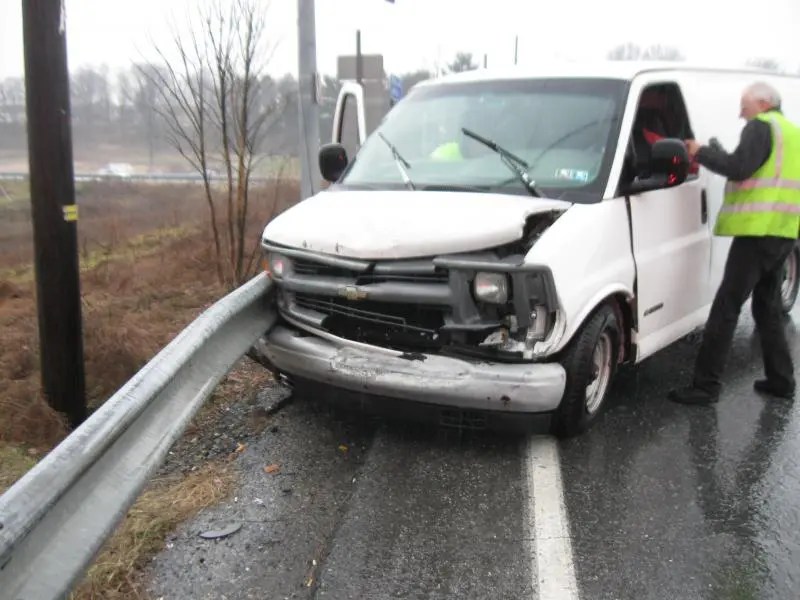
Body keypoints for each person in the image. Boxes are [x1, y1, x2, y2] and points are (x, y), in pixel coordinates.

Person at [669, 81, 800, 405]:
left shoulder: (761, 127)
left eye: (745, 104)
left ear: (762, 102)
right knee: (767, 307)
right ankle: (781, 380)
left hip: (757, 233)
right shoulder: (790, 132)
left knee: (727, 306)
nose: (741, 112)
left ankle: (705, 386)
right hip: (783, 232)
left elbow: (739, 168)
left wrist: (701, 152)